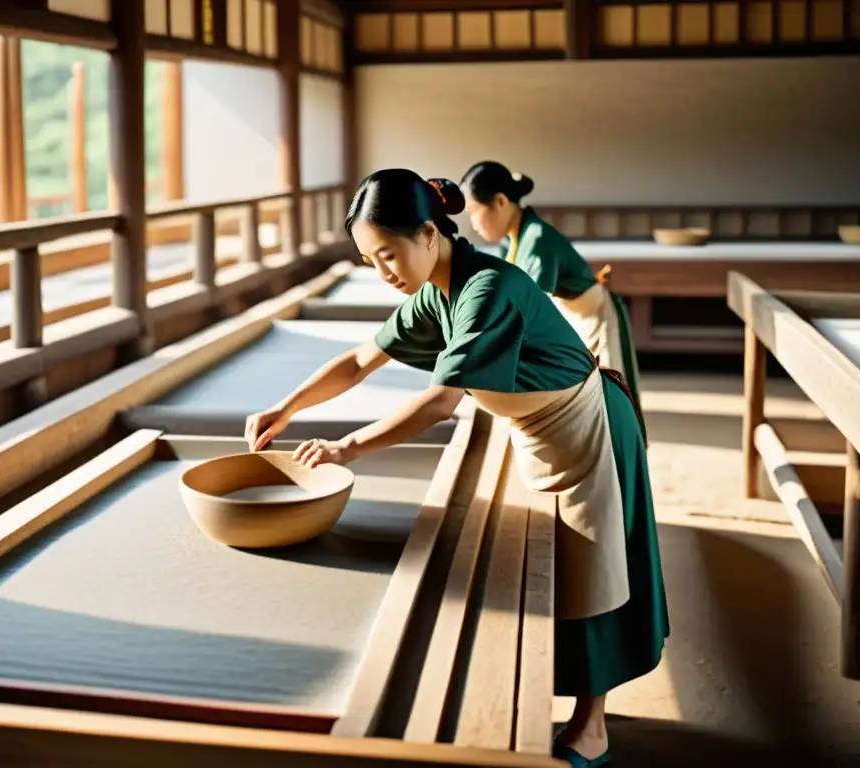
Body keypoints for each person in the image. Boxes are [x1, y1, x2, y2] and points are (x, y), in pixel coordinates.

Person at [244, 169, 669, 767]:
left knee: (592, 575)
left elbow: (443, 400)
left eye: (387, 254)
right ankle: (563, 701)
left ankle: (592, 725)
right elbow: (359, 361)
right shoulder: (433, 294)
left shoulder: (485, 288)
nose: (382, 271)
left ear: (427, 234)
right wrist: (287, 407)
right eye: (369, 260)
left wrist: (349, 447)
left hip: (588, 429)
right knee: (561, 572)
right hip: (539, 432)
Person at [459, 160, 645, 439]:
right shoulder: (511, 239)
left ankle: (622, 457)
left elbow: (526, 307)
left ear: (499, 201)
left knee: (611, 402)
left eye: (474, 210)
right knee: (586, 401)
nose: (472, 222)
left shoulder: (537, 238)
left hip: (596, 319)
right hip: (572, 316)